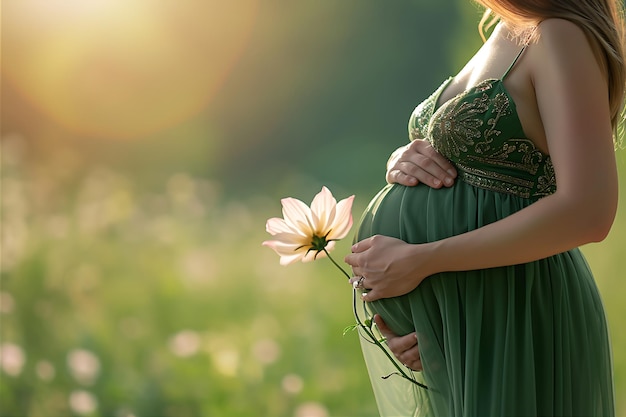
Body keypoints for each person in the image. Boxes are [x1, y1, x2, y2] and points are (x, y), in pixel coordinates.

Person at [344, 0, 625, 415]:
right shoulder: (502, 28)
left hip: (514, 313)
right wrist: (405, 157)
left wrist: (422, 261)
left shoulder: (560, 34)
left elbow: (589, 209)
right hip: (462, 324)